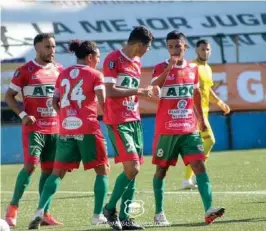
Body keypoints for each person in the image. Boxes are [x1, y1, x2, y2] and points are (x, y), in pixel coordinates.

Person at [28, 40, 109, 229]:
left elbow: (54, 101)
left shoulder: (62, 73)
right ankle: (97, 215)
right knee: (103, 170)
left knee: (57, 172)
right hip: (88, 128)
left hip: (65, 128)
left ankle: (40, 210)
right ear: (90, 57)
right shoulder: (96, 74)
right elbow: (102, 101)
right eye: (97, 57)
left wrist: (66, 116)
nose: (98, 60)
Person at [151, 30, 225, 225]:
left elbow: (196, 94)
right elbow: (153, 89)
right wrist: (168, 69)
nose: (174, 50)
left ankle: (209, 209)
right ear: (167, 48)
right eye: (170, 46)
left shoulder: (192, 69)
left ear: (185, 46)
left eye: (178, 46)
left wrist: (201, 119)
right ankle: (159, 213)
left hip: (189, 128)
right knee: (161, 170)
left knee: (200, 165)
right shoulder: (160, 67)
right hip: (167, 130)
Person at [5, 33, 63, 227]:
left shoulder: (59, 70)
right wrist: (23, 116)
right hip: (34, 128)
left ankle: (44, 212)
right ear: (37, 48)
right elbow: (9, 97)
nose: (51, 51)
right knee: (30, 167)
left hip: (55, 128)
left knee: (48, 171)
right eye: (47, 47)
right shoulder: (25, 71)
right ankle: (12, 208)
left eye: (53, 47)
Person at [102, 25, 154, 230]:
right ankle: (109, 209)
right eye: (147, 47)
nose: (148, 51)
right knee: (133, 167)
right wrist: (140, 90)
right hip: (118, 121)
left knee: (133, 171)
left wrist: (144, 92)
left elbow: (130, 92)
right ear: (139, 44)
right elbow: (110, 91)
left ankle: (125, 218)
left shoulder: (137, 61)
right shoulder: (113, 59)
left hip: (135, 120)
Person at [182, 39, 230, 189]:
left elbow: (207, 90)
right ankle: (195, 175)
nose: (206, 52)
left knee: (199, 145)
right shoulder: (192, 66)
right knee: (209, 141)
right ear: (197, 50)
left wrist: (220, 103)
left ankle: (188, 179)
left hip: (205, 111)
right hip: (195, 112)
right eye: (203, 49)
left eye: (208, 49)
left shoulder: (207, 68)